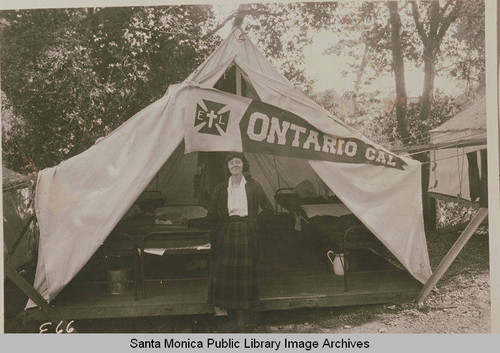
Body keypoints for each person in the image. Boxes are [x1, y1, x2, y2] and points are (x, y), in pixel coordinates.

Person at [206, 152, 273, 330]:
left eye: (238, 162)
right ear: (227, 167)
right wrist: (220, 227)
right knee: (225, 270)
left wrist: (254, 223)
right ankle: (224, 312)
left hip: (247, 231)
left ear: (244, 165)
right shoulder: (221, 187)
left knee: (245, 271)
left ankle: (246, 313)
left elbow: (268, 209)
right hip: (226, 231)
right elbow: (211, 214)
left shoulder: (253, 186)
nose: (235, 165)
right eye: (231, 163)